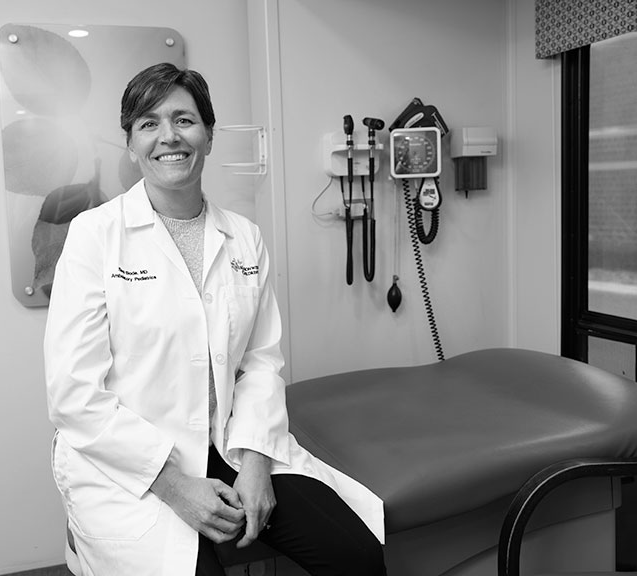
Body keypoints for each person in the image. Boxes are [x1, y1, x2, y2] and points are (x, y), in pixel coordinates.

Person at [44, 62, 386, 576]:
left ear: (208, 134)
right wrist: (175, 487)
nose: (169, 136)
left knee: (357, 556)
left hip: (228, 444)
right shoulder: (94, 235)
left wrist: (256, 463)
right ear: (131, 144)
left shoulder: (244, 237)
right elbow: (74, 395)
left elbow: (260, 364)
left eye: (184, 120)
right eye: (149, 124)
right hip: (131, 462)